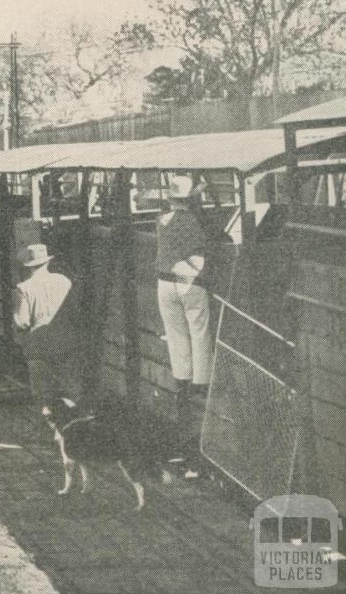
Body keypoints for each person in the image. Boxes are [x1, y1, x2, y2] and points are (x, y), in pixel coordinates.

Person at [155, 175, 212, 472]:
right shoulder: (193, 221)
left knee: (177, 338)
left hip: (164, 284)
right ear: (191, 198)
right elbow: (199, 256)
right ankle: (201, 383)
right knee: (199, 334)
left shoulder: (161, 219)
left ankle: (182, 379)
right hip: (189, 283)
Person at [11, 243, 80, 407]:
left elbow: (22, 322)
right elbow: (75, 312)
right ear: (47, 262)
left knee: (43, 397)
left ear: (27, 267)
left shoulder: (23, 289)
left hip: (38, 349)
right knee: (71, 392)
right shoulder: (64, 281)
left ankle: (47, 428)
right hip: (66, 345)